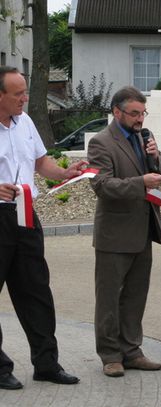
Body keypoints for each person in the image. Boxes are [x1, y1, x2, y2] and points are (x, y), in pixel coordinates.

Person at [0, 66, 81, 388]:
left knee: (37, 292)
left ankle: (46, 364)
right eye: (18, 93)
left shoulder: (26, 123)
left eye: (24, 92)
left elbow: (40, 163)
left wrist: (66, 172)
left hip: (25, 214)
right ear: (1, 95)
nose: (24, 98)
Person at [87, 86, 161, 377]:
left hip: (144, 229)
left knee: (136, 296)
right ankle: (110, 355)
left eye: (143, 113)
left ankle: (132, 351)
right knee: (109, 298)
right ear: (117, 112)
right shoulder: (101, 143)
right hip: (115, 234)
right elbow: (101, 186)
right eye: (134, 113)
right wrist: (141, 183)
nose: (140, 119)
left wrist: (156, 158)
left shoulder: (143, 137)